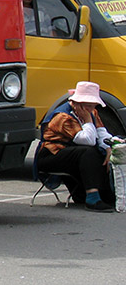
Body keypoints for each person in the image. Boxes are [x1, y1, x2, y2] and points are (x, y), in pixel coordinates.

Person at [37, 80, 116, 211]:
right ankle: (92, 197)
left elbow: (102, 132)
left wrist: (108, 148)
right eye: (88, 106)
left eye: (93, 106)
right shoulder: (63, 117)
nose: (91, 110)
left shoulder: (92, 112)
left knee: (100, 153)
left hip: (72, 153)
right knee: (88, 151)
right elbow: (88, 140)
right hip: (51, 155)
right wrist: (88, 121)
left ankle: (101, 193)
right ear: (77, 104)